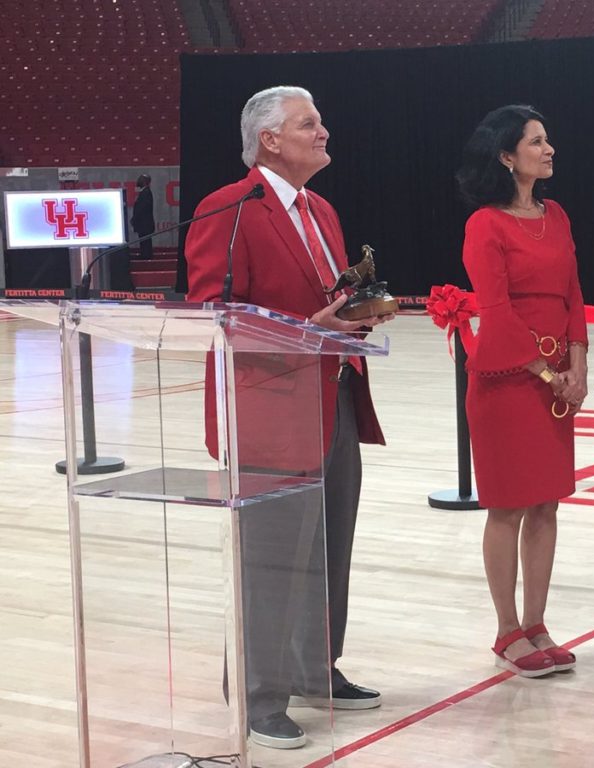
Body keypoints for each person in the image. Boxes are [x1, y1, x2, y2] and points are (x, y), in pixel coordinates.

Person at [184, 85, 392, 748]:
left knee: (329, 544)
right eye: (310, 123)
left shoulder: (321, 209)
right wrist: (308, 329)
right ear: (270, 139)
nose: (323, 131)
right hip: (268, 410)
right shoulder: (231, 208)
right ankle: (255, 696)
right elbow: (214, 317)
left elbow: (325, 302)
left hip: (331, 395)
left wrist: (353, 319)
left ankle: (314, 668)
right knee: (272, 556)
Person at [456, 105, 589, 678]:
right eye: (537, 141)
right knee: (509, 504)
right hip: (508, 380)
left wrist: (578, 365)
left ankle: (537, 624)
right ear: (507, 156)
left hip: (556, 375)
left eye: (548, 138)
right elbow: (496, 309)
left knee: (547, 501)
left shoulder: (555, 214)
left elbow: (575, 294)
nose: (549, 148)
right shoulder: (485, 223)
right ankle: (508, 629)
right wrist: (544, 371)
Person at [130, 173, 155, 259]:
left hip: (145, 224)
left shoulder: (146, 193)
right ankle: (145, 255)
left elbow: (142, 208)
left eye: (140, 179)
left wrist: (135, 218)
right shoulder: (144, 192)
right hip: (143, 224)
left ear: (144, 181)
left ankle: (146, 256)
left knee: (145, 241)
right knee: (143, 241)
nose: (138, 181)